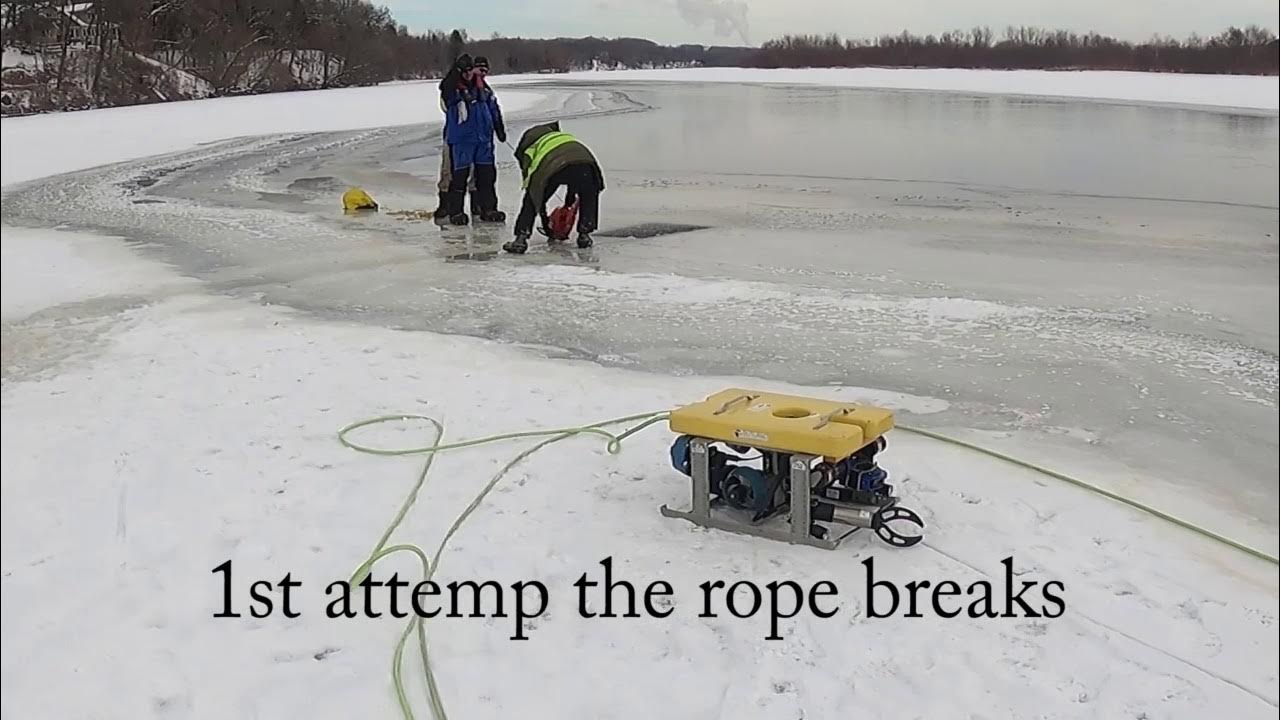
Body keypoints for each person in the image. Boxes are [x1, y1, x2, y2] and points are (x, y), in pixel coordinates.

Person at [503, 121, 605, 254]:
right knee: (588, 194)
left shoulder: (530, 148)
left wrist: (546, 223)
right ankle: (584, 235)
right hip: (586, 163)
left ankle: (521, 239)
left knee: (531, 200)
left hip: (555, 164)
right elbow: (573, 172)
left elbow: (534, 190)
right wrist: (569, 200)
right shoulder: (560, 138)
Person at [437, 54, 507, 225]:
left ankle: (488, 208)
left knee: (487, 176)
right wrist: (455, 71)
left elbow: (493, 107)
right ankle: (456, 211)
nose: (470, 75)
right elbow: (444, 88)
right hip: (462, 140)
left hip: (483, 139)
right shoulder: (453, 89)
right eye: (466, 71)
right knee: (459, 177)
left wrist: (499, 126)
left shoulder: (483, 88)